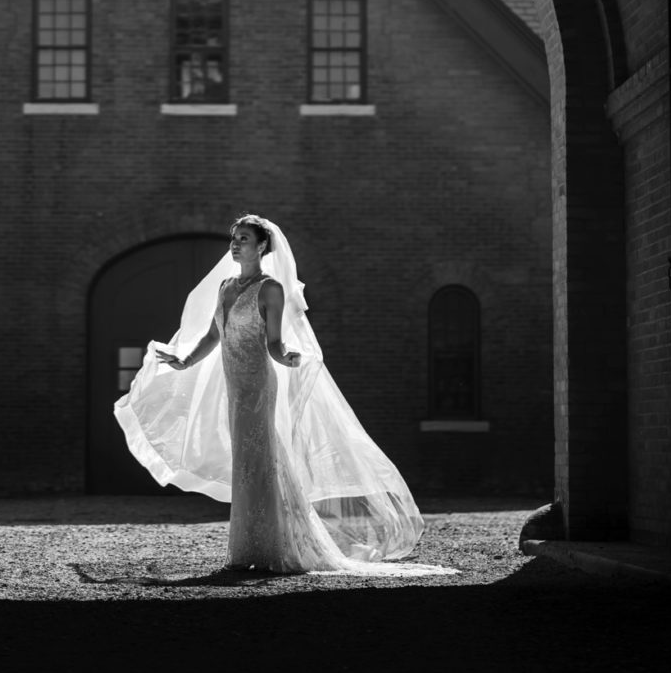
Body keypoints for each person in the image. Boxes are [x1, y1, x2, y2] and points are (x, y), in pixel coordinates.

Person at [115, 215, 453, 576]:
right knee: (247, 462)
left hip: (257, 384)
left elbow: (273, 343)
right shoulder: (226, 286)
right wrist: (183, 360)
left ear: (261, 246)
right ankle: (249, 547)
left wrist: (288, 357)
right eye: (233, 238)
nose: (235, 244)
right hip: (234, 386)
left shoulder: (270, 288)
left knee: (261, 458)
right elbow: (215, 335)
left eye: (243, 238)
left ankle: (278, 547)